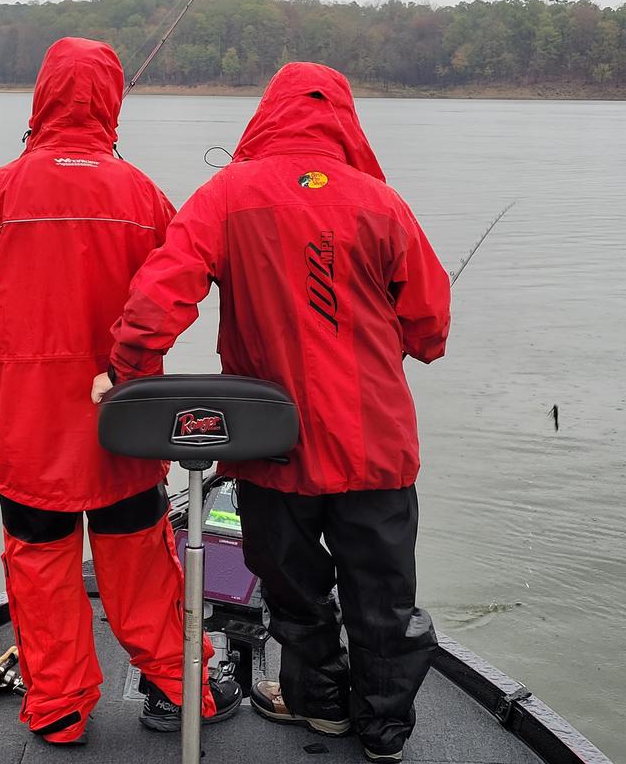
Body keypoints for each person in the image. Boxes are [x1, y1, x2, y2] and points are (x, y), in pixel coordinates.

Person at [93, 62, 451, 762]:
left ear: (267, 115)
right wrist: (406, 341)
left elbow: (157, 299)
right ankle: (383, 731)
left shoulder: (225, 194)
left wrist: (128, 373)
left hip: (269, 449)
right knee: (383, 596)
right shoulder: (383, 202)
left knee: (290, 586)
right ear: (344, 118)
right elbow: (430, 324)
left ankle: (319, 707)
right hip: (376, 445)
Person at [0, 37, 240, 746]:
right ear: (110, 102)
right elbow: (191, 277)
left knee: (39, 564)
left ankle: (59, 708)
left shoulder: (3, 187)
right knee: (141, 558)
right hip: (120, 417)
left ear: (42, 98)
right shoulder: (144, 193)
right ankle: (186, 689)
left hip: (28, 427)